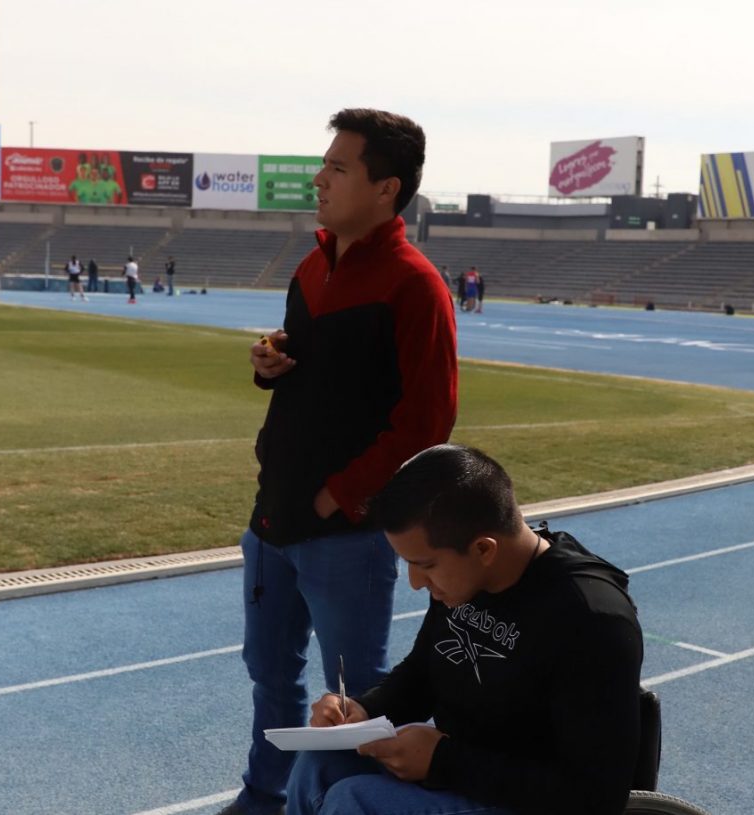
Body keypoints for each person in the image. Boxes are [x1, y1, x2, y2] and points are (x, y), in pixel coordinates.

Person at [216, 108, 458, 815]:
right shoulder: (311, 267)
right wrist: (270, 363)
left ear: (386, 188)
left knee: (356, 697)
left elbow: (427, 423)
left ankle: (348, 805)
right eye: (324, 164)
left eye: (338, 167)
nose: (320, 178)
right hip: (272, 521)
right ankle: (265, 796)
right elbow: (316, 372)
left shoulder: (415, 285)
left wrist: (339, 496)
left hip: (346, 535)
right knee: (270, 676)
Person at [285, 444, 644, 815]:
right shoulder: (464, 579)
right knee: (319, 764)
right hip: (463, 772)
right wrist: (362, 709)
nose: (415, 582)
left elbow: (594, 798)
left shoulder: (592, 620)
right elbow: (424, 672)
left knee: (354, 801)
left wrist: (443, 761)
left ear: (484, 549)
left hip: (526, 799)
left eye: (425, 565)